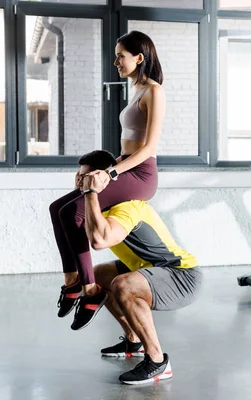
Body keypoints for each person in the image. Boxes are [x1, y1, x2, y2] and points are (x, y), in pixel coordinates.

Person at [49, 30, 166, 329]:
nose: (115, 61)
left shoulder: (154, 91)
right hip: (124, 166)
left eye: (120, 56)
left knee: (75, 212)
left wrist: (111, 173)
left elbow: (149, 148)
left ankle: (90, 291)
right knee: (58, 209)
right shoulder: (135, 90)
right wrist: (96, 171)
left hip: (141, 175)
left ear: (139, 57)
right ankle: (73, 283)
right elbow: (127, 146)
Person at [76, 150, 202, 384]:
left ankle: (157, 361)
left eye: (85, 177)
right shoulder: (102, 206)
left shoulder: (127, 206)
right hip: (151, 268)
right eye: (79, 176)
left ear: (102, 178)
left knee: (123, 285)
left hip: (181, 275)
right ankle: (133, 341)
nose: (80, 181)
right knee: (99, 276)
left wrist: (90, 192)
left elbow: (99, 240)